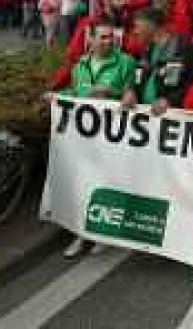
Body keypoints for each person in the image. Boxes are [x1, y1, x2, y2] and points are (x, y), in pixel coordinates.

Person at [61, 22, 137, 259]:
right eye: (102, 38)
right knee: (83, 183)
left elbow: (132, 93)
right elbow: (74, 93)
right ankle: (81, 235)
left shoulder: (126, 62)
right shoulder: (80, 65)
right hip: (84, 138)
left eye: (111, 37)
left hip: (112, 136)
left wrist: (114, 94)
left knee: (107, 183)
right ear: (90, 40)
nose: (108, 41)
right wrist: (55, 98)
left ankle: (103, 234)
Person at [122, 7, 193, 114]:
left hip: (174, 118)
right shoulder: (148, 50)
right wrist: (131, 91)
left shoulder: (186, 49)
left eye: (137, 26)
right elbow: (139, 78)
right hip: (147, 115)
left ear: (150, 26)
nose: (135, 31)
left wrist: (170, 101)